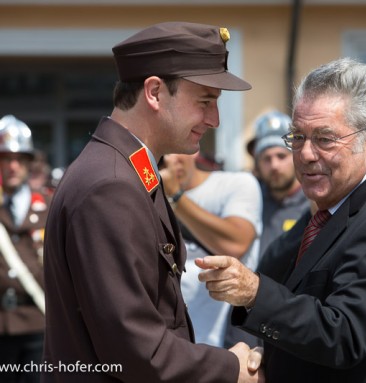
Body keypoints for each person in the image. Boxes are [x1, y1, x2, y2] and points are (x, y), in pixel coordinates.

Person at [41, 22, 263, 383]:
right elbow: (136, 348)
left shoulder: (128, 170)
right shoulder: (111, 185)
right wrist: (230, 369)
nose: (215, 119)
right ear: (155, 92)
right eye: (205, 101)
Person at [196, 57, 366, 382]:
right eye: (297, 137)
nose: (306, 154)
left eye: (324, 139)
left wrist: (254, 292)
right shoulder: (327, 212)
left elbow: (345, 335)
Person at [158, 152, 262, 347]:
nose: (171, 161)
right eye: (163, 155)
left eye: (174, 150)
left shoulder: (237, 183)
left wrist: (175, 196)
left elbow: (235, 244)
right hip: (174, 345)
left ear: (194, 149)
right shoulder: (149, 196)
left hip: (227, 342)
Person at [0, 115, 52, 383]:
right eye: (5, 158)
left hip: (37, 323)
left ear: (29, 164)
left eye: (19, 159)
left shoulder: (48, 207)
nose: (12, 166)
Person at [250, 110, 311, 258]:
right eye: (266, 158)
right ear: (257, 164)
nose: (274, 165)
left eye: (281, 156)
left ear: (296, 157)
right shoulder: (252, 201)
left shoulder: (314, 202)